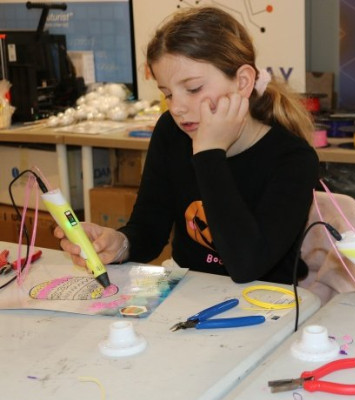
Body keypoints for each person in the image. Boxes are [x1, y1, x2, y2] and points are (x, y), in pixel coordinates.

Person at [54, 6, 319, 284]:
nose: (177, 108)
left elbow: (247, 265)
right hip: (188, 291)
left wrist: (209, 154)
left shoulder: (293, 159)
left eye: (193, 89)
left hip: (265, 299)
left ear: (243, 82)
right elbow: (149, 230)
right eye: (167, 94)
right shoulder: (171, 132)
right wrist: (120, 244)